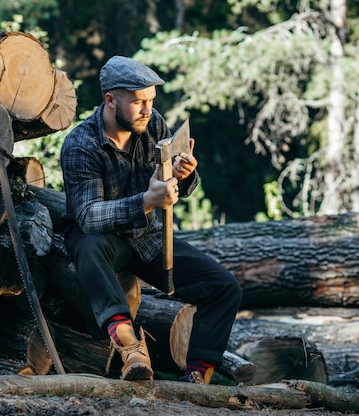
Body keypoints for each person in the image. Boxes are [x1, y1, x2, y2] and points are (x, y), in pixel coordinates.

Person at [60, 55, 242, 383]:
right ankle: (129, 346)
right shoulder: (80, 144)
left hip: (147, 237)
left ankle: (199, 376)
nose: (147, 109)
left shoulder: (153, 123)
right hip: (103, 238)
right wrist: (146, 201)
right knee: (86, 245)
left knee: (224, 287)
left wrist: (184, 175)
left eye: (151, 101)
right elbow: (88, 216)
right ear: (110, 100)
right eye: (138, 102)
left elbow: (176, 187)